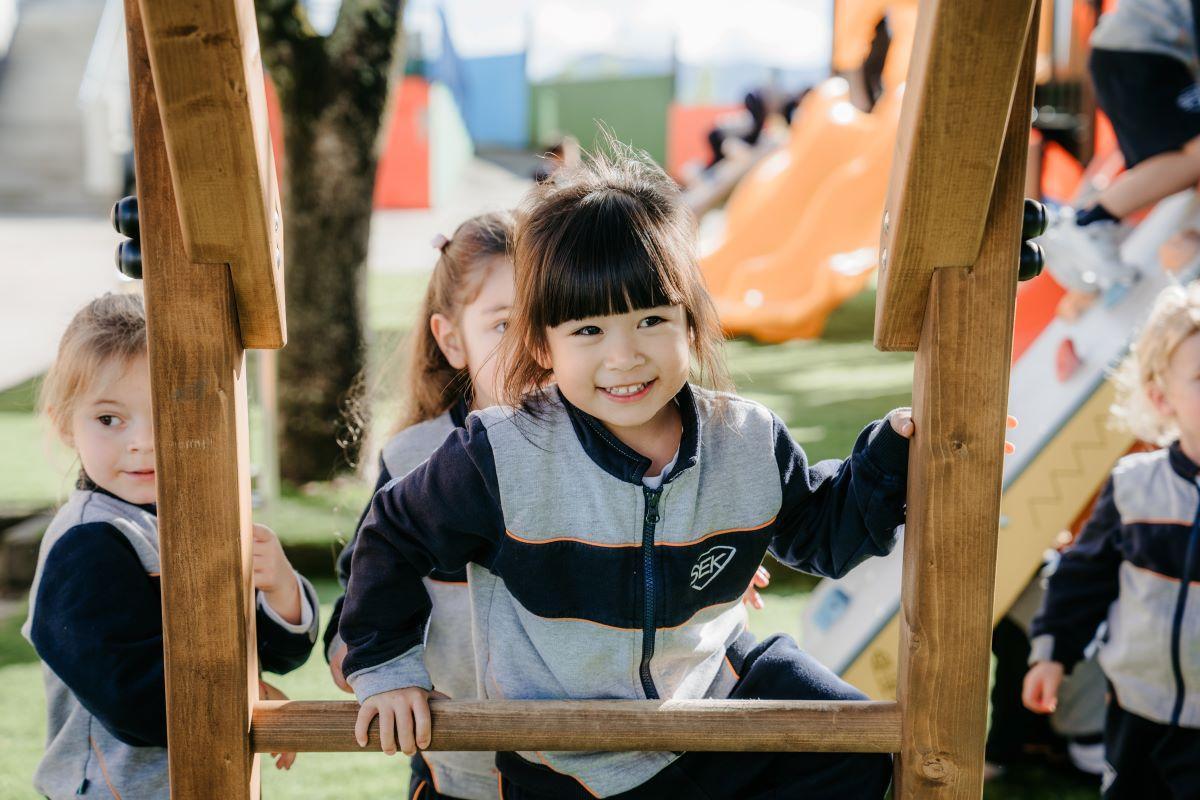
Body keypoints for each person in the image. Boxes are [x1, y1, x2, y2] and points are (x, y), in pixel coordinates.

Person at [339, 146, 914, 799]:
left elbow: (822, 533)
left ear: (691, 325)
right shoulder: (501, 453)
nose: (624, 356)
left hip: (712, 692)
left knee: (857, 748)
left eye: (650, 320)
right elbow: (392, 534)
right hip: (565, 745)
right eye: (588, 330)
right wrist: (387, 670)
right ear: (541, 346)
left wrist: (890, 455)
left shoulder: (746, 439)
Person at [327, 211, 772, 800]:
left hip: (589, 768)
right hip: (462, 769)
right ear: (451, 339)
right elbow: (347, 646)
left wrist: (677, 576)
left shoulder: (618, 442)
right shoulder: (415, 462)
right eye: (504, 325)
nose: (531, 352)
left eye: (551, 323)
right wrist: (388, 673)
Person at [23, 293, 319, 799]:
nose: (143, 442)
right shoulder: (87, 543)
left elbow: (266, 651)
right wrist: (243, 698)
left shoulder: (199, 516)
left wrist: (281, 590)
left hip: (207, 780)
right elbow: (126, 695)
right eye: (109, 420)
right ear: (64, 425)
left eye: (164, 411)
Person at [1023, 281, 1200, 798]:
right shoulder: (1134, 487)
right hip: (1136, 707)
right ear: (1160, 396)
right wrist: (1053, 652)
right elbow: (1084, 576)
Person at [1038, 0, 1200, 294]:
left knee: (1173, 160)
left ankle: (1093, 221)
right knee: (1193, 155)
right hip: (1141, 54)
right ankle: (1089, 222)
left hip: (1131, 52)